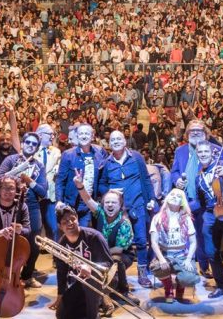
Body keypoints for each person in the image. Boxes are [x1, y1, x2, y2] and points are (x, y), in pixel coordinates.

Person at [97, 130, 155, 288]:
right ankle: (117, 275)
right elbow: (101, 185)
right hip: (117, 211)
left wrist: (151, 199)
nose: (116, 142)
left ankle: (142, 274)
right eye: (113, 139)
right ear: (109, 144)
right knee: (118, 244)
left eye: (119, 139)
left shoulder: (136, 157)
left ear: (125, 141)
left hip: (137, 205)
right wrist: (110, 192)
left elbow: (146, 179)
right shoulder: (107, 162)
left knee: (142, 241)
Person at [76, 171, 140, 311]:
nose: (110, 205)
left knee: (116, 260)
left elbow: (118, 249)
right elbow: (87, 200)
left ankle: (123, 291)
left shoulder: (124, 223)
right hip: (102, 254)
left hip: (121, 255)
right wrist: (80, 186)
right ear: (103, 204)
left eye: (114, 202)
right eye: (107, 202)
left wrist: (97, 258)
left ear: (120, 205)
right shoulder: (100, 213)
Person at [169, 120, 222, 276]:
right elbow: (174, 171)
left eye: (199, 130)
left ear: (206, 133)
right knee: (193, 235)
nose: (196, 133)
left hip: (208, 201)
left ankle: (215, 267)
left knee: (209, 237)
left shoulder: (216, 150)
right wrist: (177, 179)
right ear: (187, 134)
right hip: (187, 200)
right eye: (192, 131)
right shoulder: (180, 151)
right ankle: (202, 267)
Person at [0, 132, 48, 288]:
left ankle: (27, 275)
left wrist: (29, 181)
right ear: (23, 143)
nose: (30, 146)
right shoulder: (11, 160)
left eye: (34, 144)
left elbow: (43, 192)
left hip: (31, 205)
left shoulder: (39, 166)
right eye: (28, 142)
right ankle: (6, 275)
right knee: (7, 240)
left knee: (34, 242)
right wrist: (16, 177)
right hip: (8, 204)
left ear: (37, 148)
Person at [194, 142, 223, 307]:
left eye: (206, 151)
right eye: (200, 152)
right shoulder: (198, 177)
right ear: (197, 155)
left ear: (212, 152)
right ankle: (222, 285)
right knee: (211, 252)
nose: (203, 154)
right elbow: (199, 201)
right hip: (209, 213)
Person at [54, 205, 113, 319]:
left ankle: (98, 307)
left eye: (72, 219)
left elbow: (109, 264)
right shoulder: (62, 243)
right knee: (62, 314)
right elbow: (61, 272)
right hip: (81, 282)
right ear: (60, 226)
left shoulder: (94, 237)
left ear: (77, 219)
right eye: (65, 221)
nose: (70, 223)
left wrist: (90, 268)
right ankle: (97, 303)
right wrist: (60, 294)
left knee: (89, 311)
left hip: (102, 280)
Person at [150, 189, 199, 304]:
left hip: (181, 255)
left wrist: (188, 259)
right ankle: (168, 287)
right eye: (172, 194)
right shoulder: (157, 218)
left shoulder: (186, 218)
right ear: (167, 198)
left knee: (190, 278)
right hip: (165, 254)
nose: (174, 197)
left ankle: (180, 284)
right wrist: (161, 259)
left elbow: (193, 242)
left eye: (178, 196)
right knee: (157, 268)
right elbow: (154, 242)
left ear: (182, 202)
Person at [57, 123, 108, 228]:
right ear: (77, 136)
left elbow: (102, 180)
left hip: (88, 204)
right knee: (70, 235)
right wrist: (59, 201)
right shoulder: (68, 155)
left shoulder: (99, 154)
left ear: (92, 136)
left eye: (87, 134)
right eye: (81, 134)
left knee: (83, 234)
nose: (84, 136)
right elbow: (60, 181)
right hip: (71, 203)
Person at [34, 124, 62, 243]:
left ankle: (57, 256)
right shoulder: (32, 150)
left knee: (54, 227)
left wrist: (57, 167)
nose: (52, 137)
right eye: (49, 134)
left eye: (53, 134)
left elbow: (59, 165)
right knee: (35, 227)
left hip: (50, 194)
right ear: (40, 135)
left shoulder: (56, 151)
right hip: (35, 195)